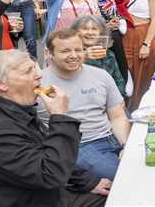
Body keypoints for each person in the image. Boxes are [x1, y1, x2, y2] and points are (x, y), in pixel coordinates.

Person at [0, 49, 109, 207]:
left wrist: (88, 182)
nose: (39, 75)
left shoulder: (17, 109)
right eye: (28, 71)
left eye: (35, 67)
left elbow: (46, 154)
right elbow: (50, 175)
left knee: (114, 194)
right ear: (0, 84)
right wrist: (60, 117)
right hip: (23, 200)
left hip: (42, 192)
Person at [38, 29, 130, 180]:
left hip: (111, 136)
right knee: (125, 177)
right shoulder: (38, 83)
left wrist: (126, 146)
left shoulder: (100, 75)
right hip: (80, 146)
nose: (74, 55)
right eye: (65, 51)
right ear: (49, 53)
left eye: (78, 50)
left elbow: (118, 116)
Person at [119, 0, 155, 111]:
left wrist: (146, 44)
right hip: (124, 35)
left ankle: (139, 111)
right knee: (126, 73)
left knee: (142, 77)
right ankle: (124, 111)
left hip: (143, 35)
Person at [71, 15, 126, 97]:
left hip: (108, 101)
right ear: (76, 32)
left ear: (101, 32)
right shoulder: (70, 54)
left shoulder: (109, 55)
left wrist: (118, 99)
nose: (90, 32)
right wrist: (83, 57)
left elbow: (119, 81)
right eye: (85, 29)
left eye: (94, 29)